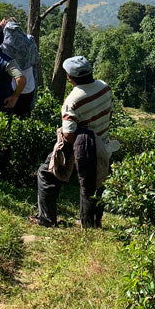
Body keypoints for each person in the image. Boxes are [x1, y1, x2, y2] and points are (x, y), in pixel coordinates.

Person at [33, 55, 114, 228]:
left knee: (47, 173)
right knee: (95, 181)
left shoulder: (72, 101)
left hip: (82, 145)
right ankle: (91, 222)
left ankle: (47, 218)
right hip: (102, 143)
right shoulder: (104, 87)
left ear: (70, 78)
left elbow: (69, 135)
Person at [0, 18, 41, 118]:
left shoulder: (3, 46)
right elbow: (36, 59)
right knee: (24, 116)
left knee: (10, 117)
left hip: (13, 88)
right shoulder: (30, 40)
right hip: (30, 86)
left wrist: (0, 28)